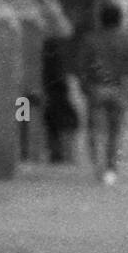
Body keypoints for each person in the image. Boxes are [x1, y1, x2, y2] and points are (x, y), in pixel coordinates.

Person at [73, 2, 128, 184]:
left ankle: (98, 162)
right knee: (115, 132)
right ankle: (111, 167)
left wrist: (85, 87)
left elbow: (81, 67)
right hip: (118, 89)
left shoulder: (90, 39)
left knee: (94, 128)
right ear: (119, 19)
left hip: (97, 88)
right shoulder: (126, 40)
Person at [41, 31, 80, 163]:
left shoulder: (44, 60)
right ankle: (64, 154)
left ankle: (55, 152)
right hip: (54, 96)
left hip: (29, 97)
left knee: (26, 118)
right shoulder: (60, 63)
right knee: (65, 122)